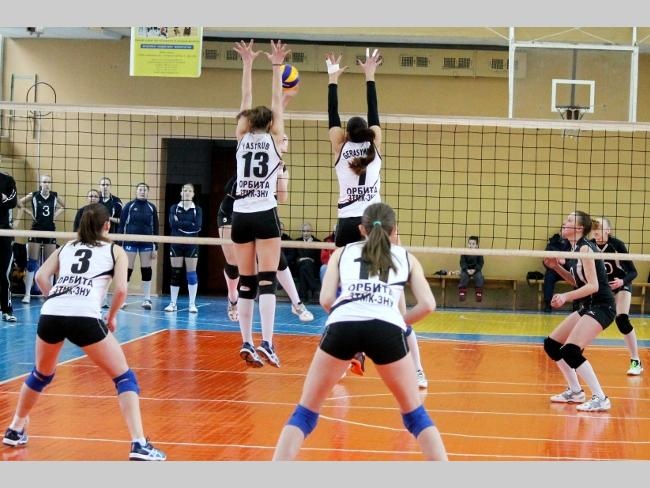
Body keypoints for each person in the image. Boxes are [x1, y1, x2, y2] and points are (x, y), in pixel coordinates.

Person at [272, 203, 447, 460]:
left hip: (343, 323)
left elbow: (326, 299)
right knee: (415, 416)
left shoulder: (341, 253)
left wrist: (346, 316)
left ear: (361, 229)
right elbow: (428, 305)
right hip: (386, 327)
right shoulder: (406, 257)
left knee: (305, 413)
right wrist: (399, 321)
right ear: (394, 230)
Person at [2, 203, 166, 461]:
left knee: (41, 374)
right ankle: (139, 444)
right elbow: (122, 290)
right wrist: (111, 317)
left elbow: (41, 277)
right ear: (107, 225)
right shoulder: (115, 250)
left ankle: (15, 429)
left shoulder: (66, 247)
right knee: (124, 378)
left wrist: (55, 300)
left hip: (51, 313)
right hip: (85, 316)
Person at [326, 50, 426, 385]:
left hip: (346, 223)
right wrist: (370, 75)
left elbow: (331, 117)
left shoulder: (340, 148)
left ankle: (349, 353)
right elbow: (375, 114)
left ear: (345, 135)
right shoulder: (376, 146)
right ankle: (416, 368)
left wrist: (332, 80)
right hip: (376, 224)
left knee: (346, 292)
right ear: (369, 133)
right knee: (393, 296)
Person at [231, 39, 290, 368]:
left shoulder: (241, 139)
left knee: (246, 282)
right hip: (265, 213)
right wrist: (276, 65)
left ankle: (246, 342)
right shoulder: (276, 139)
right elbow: (277, 104)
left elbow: (245, 100)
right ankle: (267, 341)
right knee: (268, 279)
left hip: (240, 215)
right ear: (271, 125)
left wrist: (247, 63)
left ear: (247, 123)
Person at [542, 211, 616, 412]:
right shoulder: (574, 248)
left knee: (570, 350)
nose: (564, 223)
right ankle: (575, 392)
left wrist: (565, 297)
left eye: (569, 220)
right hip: (589, 306)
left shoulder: (586, 248)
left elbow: (593, 286)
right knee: (551, 345)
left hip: (603, 306)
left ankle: (601, 398)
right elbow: (578, 282)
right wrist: (556, 267)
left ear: (579, 228)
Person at [591, 217, 643, 375]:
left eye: (599, 228)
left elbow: (633, 272)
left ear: (608, 230)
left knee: (621, 319)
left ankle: (636, 361)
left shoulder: (617, 245)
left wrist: (622, 281)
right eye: (594, 229)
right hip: (602, 288)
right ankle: (574, 355)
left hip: (620, 284)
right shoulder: (589, 246)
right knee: (588, 318)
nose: (596, 232)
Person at [15, 174, 65, 304]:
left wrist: (54, 215)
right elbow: (18, 202)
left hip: (50, 231)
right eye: (44, 182)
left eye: (49, 182)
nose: (47, 184)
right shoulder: (34, 195)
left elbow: (64, 205)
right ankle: (27, 294)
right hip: (36, 230)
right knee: (32, 263)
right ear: (40, 183)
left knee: (50, 264)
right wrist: (28, 212)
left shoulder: (54, 196)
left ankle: (48, 293)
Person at [119, 182, 159, 310]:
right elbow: (122, 225)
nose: (142, 191)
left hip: (146, 243)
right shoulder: (129, 206)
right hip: (130, 242)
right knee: (127, 270)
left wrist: (156, 247)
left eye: (145, 190)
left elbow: (156, 227)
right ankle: (122, 299)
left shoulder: (151, 207)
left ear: (148, 192)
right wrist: (120, 244)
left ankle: (147, 299)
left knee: (146, 270)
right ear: (136, 191)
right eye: (140, 189)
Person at [165, 183, 202, 314]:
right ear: (181, 193)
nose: (187, 192)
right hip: (176, 243)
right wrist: (189, 224)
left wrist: (180, 223)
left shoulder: (197, 209)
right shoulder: (174, 208)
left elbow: (197, 226)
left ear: (193, 194)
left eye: (190, 191)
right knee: (175, 273)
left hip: (192, 244)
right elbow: (172, 224)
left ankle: (192, 304)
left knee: (191, 274)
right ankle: (173, 303)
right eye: (185, 190)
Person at [0, 169, 17, 322]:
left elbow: (13, 202)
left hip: (3, 232)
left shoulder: (7, 180)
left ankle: (7, 310)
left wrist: (4, 199)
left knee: (4, 274)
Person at [292, 222, 321, 304]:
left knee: (304, 268)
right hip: (298, 267)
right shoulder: (296, 241)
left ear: (311, 231)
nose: (306, 233)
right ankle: (314, 289)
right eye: (304, 231)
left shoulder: (318, 242)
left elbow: (318, 260)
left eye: (308, 231)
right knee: (304, 265)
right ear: (301, 232)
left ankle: (303, 297)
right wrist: (303, 259)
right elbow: (294, 258)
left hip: (313, 268)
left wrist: (307, 258)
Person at [542, 231, 571, 313]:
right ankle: (548, 304)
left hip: (569, 270)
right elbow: (546, 260)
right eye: (563, 228)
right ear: (560, 231)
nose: (565, 230)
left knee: (578, 276)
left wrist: (565, 262)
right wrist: (552, 265)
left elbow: (577, 262)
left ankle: (577, 304)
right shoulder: (552, 243)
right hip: (555, 271)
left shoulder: (574, 243)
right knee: (549, 276)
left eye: (567, 228)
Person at [458, 235, 484, 302]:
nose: (471, 245)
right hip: (466, 269)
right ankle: (462, 292)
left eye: (473, 244)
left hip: (476, 270)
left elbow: (480, 263)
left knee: (479, 276)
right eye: (469, 243)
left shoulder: (479, 253)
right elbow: (462, 262)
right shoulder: (464, 252)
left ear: (477, 246)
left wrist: (475, 270)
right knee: (463, 276)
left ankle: (479, 292)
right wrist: (466, 269)